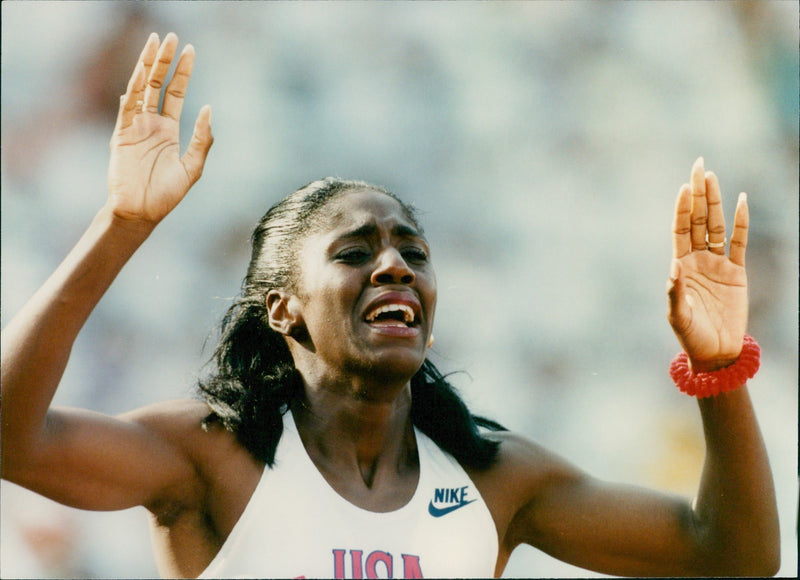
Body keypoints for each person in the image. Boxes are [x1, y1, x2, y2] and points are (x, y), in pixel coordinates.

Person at [1, 32, 780, 579]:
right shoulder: (212, 454)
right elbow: (14, 441)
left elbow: (733, 555)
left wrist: (719, 368)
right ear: (283, 311)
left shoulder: (492, 476)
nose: (394, 267)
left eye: (413, 252)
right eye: (353, 253)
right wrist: (121, 226)